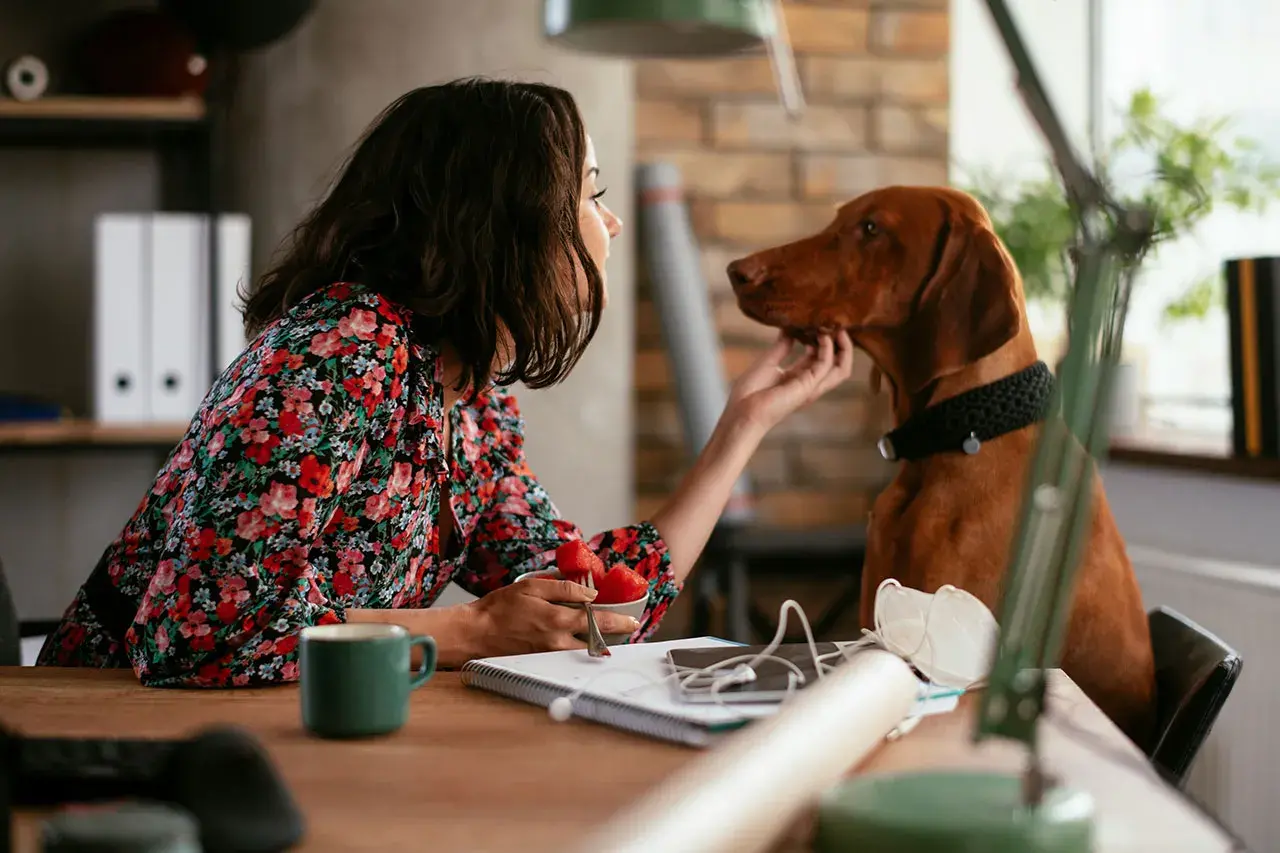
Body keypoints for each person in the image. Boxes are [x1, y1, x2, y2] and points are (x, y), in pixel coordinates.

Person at [37, 78, 854, 687]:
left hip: (287, 734)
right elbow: (197, 637)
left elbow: (592, 606)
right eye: (589, 194)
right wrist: (470, 629)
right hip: (107, 735)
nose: (608, 223)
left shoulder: (472, 399)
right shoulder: (342, 349)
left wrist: (743, 425)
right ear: (507, 220)